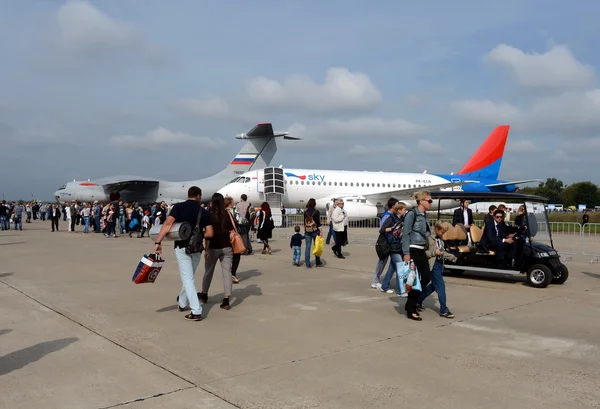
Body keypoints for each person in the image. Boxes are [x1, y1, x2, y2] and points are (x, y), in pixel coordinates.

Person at [153, 186, 213, 322]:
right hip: (197, 248)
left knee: (188, 279)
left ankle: (196, 310)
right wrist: (198, 234)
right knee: (189, 277)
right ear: (198, 196)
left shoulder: (178, 207)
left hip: (182, 247)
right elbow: (210, 233)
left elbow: (168, 224)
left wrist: (158, 241)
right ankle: (182, 302)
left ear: (189, 195)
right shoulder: (203, 211)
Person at [200, 193, 236, 311]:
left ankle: (204, 294)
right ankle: (226, 299)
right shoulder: (227, 214)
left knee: (208, 272)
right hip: (227, 247)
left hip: (214, 247)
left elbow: (208, 235)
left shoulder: (210, 216)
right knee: (227, 273)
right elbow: (233, 228)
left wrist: (206, 249)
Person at [401, 191, 433, 321]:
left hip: (421, 249)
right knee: (414, 280)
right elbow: (406, 234)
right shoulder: (412, 214)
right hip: (413, 249)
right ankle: (411, 309)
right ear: (421, 201)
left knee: (426, 277)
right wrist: (406, 253)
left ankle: (411, 303)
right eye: (429, 201)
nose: (431, 203)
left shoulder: (425, 216)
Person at [417, 222, 457, 318]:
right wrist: (434, 252)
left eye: (444, 232)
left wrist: (451, 257)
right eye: (442, 232)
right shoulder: (429, 239)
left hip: (439, 265)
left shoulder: (441, 241)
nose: (443, 234)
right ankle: (444, 309)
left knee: (433, 286)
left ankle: (418, 300)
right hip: (433, 265)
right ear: (436, 229)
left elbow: (442, 252)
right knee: (441, 288)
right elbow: (423, 253)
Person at [378, 202, 408, 295]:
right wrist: (393, 228)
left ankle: (384, 286)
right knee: (400, 266)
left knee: (393, 267)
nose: (405, 211)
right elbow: (382, 230)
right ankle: (400, 291)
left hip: (400, 246)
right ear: (399, 210)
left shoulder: (403, 219)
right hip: (392, 246)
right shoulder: (391, 218)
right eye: (404, 209)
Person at [303, 198, 323, 268]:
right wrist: (321, 231)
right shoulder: (316, 212)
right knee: (316, 246)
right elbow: (318, 222)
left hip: (307, 231)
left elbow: (304, 222)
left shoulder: (305, 212)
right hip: (315, 231)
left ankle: (307, 263)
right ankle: (317, 262)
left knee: (307, 247)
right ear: (314, 204)